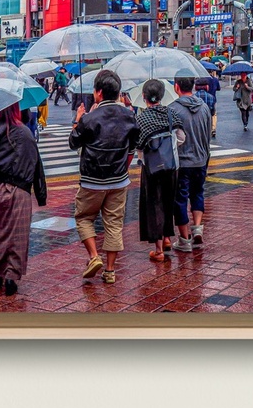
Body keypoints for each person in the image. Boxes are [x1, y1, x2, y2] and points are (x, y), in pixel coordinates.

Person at [68, 69, 140, 284]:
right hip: (118, 179)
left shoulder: (90, 118)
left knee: (84, 218)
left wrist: (78, 120)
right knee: (114, 223)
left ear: (98, 93)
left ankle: (93, 256)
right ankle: (110, 271)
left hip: (92, 179)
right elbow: (132, 147)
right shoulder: (129, 115)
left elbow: (74, 142)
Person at [0, 102, 47, 296]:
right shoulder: (25, 133)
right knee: (17, 237)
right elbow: (36, 164)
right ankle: (11, 276)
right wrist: (41, 194)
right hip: (21, 191)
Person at [167, 71, 212, 251]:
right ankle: (198, 227)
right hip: (201, 159)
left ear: (176, 86)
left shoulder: (172, 109)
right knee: (197, 193)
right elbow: (208, 135)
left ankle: (184, 239)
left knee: (180, 199)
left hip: (181, 162)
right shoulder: (204, 107)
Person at [136, 79, 180, 262]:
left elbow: (137, 145)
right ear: (162, 96)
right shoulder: (171, 114)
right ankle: (168, 237)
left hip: (151, 167)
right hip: (171, 165)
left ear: (144, 96)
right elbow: (181, 137)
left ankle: (159, 249)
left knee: (154, 204)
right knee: (168, 201)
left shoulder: (141, 118)